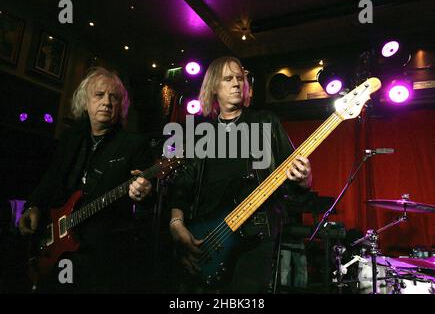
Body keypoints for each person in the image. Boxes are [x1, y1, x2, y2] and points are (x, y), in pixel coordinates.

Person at [167, 56, 312, 293]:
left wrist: (305, 178)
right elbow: (183, 187)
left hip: (255, 236)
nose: (236, 83)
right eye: (228, 79)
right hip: (206, 238)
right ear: (214, 87)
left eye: (240, 78)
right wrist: (176, 224)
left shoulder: (266, 122)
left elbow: (296, 184)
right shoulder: (199, 133)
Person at [18, 67, 153, 293]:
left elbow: (147, 202)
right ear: (85, 102)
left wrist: (144, 192)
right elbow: (51, 179)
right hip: (56, 241)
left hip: (100, 254)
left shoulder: (134, 145)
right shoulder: (71, 138)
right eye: (99, 95)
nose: (107, 102)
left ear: (121, 107)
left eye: (114, 97)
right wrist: (34, 206)